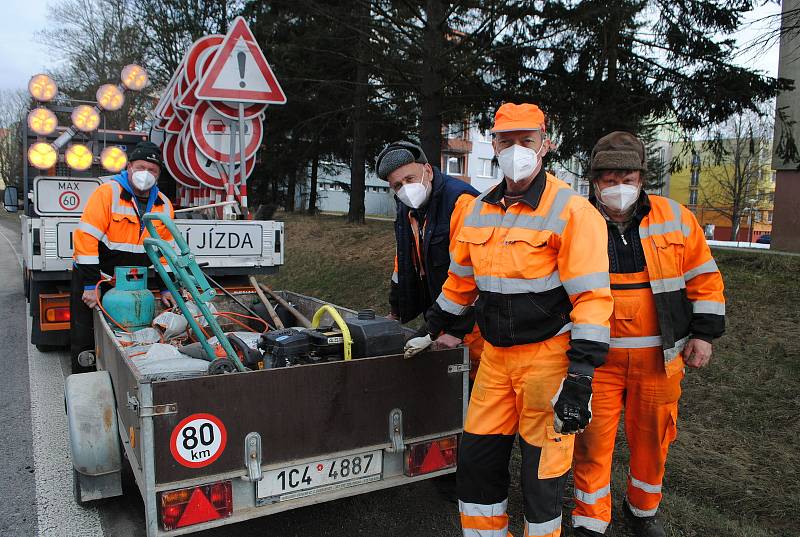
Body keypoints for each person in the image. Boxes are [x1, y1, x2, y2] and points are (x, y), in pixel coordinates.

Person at [405, 103, 613, 537]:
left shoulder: (574, 212)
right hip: (495, 361)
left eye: (526, 140)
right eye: (506, 140)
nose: (516, 150)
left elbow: (592, 300)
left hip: (548, 359)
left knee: (542, 476)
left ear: (545, 144)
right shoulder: (479, 209)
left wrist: (580, 375)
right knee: (477, 463)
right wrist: (432, 327)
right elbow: (460, 284)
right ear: (494, 144)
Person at [570, 132, 726, 537]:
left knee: (652, 443)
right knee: (590, 444)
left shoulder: (674, 216)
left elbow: (705, 279)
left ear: (641, 176)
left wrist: (704, 335)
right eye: (608, 177)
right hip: (596, 361)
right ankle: (590, 521)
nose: (617, 184)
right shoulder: (576, 220)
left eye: (627, 174)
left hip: (660, 360)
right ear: (594, 180)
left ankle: (642, 514)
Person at [376, 140, 484, 376]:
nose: (405, 188)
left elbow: (473, 277)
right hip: (442, 317)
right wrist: (396, 312)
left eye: (409, 179)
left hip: (474, 327)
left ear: (426, 170)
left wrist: (455, 331)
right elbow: (403, 262)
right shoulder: (408, 208)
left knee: (471, 389)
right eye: (397, 185)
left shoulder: (461, 203)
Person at [70, 141, 177, 372]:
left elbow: (164, 253)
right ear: (128, 167)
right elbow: (86, 239)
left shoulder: (164, 206)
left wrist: (167, 288)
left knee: (131, 335)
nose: (145, 174)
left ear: (158, 175)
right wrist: (91, 285)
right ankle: (85, 382)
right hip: (97, 277)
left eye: (152, 170)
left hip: (134, 284)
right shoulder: (108, 193)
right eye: (140, 167)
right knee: (86, 336)